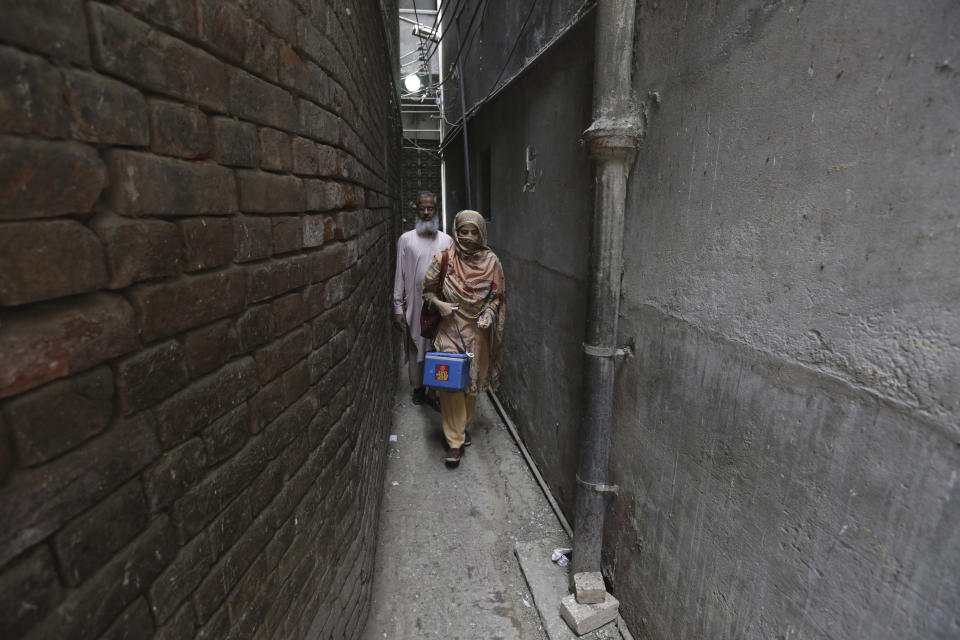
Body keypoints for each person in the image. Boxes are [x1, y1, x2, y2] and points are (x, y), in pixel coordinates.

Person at [422, 210, 506, 466]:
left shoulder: (492, 263)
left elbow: (496, 297)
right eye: (463, 232)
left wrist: (490, 314)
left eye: (474, 232)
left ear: (481, 234)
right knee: (450, 386)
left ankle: (462, 425)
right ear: (455, 233)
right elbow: (427, 291)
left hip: (477, 332)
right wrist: (439, 304)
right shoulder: (444, 258)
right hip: (449, 328)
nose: (468, 237)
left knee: (470, 387)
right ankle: (454, 441)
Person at [393, 191, 453, 407]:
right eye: (422, 208)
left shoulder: (447, 240)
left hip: (439, 306)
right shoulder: (406, 240)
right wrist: (398, 307)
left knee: (438, 349)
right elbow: (399, 274)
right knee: (416, 346)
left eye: (430, 208)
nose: (426, 212)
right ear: (416, 210)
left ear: (437, 211)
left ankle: (433, 392)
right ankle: (418, 388)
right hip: (415, 306)